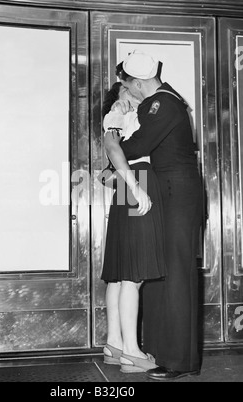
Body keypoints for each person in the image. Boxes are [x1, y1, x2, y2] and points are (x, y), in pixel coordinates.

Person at [106, 50, 203, 380]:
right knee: (160, 274)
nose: (127, 92)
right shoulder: (160, 103)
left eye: (127, 85)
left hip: (177, 196)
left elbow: (135, 147)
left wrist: (112, 130)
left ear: (138, 82)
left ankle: (179, 361)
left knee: (176, 275)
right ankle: (161, 352)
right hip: (167, 194)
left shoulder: (162, 103)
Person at [101, 81, 167, 373]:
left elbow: (105, 173)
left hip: (128, 183)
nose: (131, 93)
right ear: (117, 98)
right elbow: (112, 149)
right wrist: (135, 186)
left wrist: (120, 183)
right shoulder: (118, 114)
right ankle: (131, 351)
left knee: (119, 274)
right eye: (125, 91)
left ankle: (114, 344)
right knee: (133, 274)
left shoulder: (124, 117)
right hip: (135, 179)